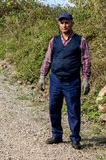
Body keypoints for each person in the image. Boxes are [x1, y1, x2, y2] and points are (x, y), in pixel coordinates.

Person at [37, 12, 91, 150]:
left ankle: (75, 138)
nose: (64, 25)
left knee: (73, 109)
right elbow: (48, 58)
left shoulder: (80, 40)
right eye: (62, 23)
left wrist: (85, 78)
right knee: (54, 108)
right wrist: (42, 76)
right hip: (56, 80)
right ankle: (57, 135)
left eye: (67, 22)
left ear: (72, 23)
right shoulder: (54, 41)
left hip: (72, 81)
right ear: (59, 24)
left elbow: (85, 60)